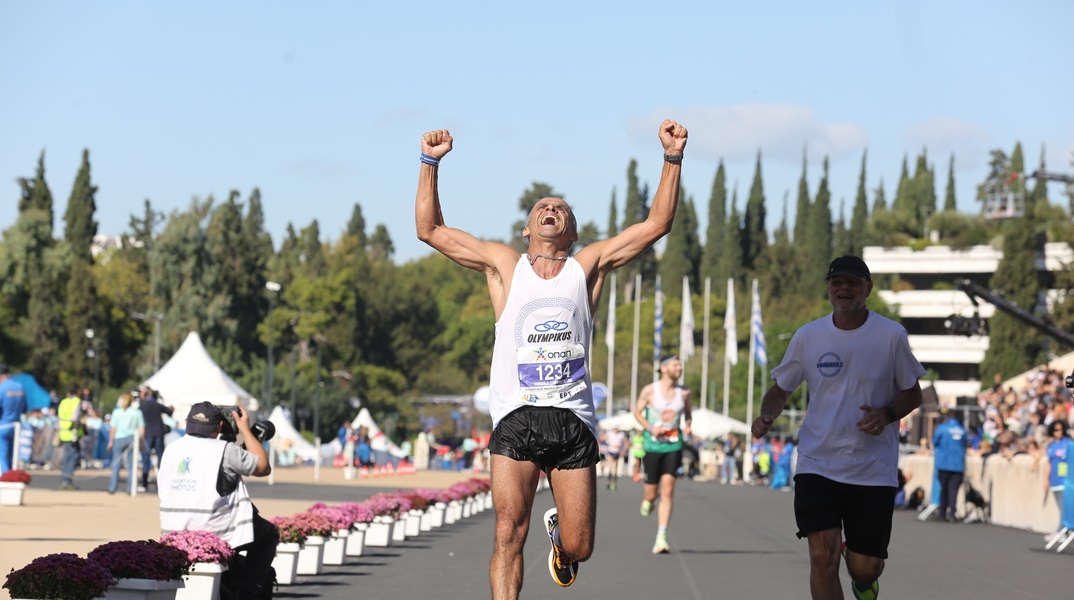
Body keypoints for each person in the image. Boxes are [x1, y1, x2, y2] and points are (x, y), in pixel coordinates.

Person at [415, 119, 688, 598]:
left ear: (573, 230)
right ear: (526, 229)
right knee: (506, 531)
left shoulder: (589, 265)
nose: (550, 210)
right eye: (542, 207)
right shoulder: (504, 265)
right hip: (516, 415)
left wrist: (672, 158)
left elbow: (656, 225)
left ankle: (561, 543)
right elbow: (430, 229)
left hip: (572, 419)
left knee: (581, 546)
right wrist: (429, 163)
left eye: (560, 209)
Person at [752, 255, 925, 600]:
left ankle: (864, 582)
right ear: (829, 288)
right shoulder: (808, 336)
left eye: (852, 282)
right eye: (837, 282)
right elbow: (780, 389)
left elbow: (914, 392)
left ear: (867, 288)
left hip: (872, 470)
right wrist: (767, 415)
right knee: (821, 557)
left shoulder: (891, 335)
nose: (844, 288)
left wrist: (887, 414)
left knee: (865, 567)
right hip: (818, 463)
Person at [158, 402, 277, 599]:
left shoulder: (171, 449)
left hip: (172, 532)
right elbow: (263, 467)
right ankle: (245, 593)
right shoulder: (225, 450)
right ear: (220, 426)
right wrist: (245, 429)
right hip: (215, 532)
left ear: (187, 423)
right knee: (269, 535)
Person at [633, 354, 692, 554]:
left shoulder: (684, 393)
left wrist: (689, 426)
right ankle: (648, 500)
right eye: (676, 364)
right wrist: (650, 427)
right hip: (652, 447)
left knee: (667, 491)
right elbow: (637, 413)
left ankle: (661, 536)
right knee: (652, 493)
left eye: (680, 364)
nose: (680, 367)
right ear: (664, 368)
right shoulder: (650, 390)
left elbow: (688, 415)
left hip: (673, 447)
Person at [932, 409, 968, 522]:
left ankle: (942, 512)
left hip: (944, 464)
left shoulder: (942, 429)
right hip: (958, 465)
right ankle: (952, 513)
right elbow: (965, 443)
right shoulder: (963, 430)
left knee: (944, 489)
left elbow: (934, 442)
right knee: (954, 490)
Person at [107, 392, 145, 494]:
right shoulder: (137, 413)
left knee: (116, 464)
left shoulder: (117, 412)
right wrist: (141, 442)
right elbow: (141, 429)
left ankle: (112, 488)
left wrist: (110, 441)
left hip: (119, 438)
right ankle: (130, 488)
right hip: (132, 439)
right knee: (131, 465)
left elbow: (113, 428)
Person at [138, 387, 173, 493]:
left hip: (147, 434)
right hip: (158, 433)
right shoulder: (158, 405)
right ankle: (161, 484)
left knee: (145, 459)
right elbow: (169, 412)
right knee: (160, 458)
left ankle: (144, 483)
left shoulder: (142, 406)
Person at [1043, 419, 1073, 542]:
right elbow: (1048, 463)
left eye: (1061, 430)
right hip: (1055, 480)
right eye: (1056, 430)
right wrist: (1045, 480)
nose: (1059, 432)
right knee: (1060, 507)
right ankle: (1062, 530)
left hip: (1066, 481)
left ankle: (1062, 531)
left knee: (1064, 507)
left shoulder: (1068, 443)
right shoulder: (1052, 445)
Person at [57, 385, 86, 490]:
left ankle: (64, 479)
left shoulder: (64, 401)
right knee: (74, 457)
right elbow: (75, 418)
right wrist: (81, 424)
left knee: (67, 457)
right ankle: (67, 480)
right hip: (72, 433)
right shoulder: (76, 401)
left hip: (63, 431)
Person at [0, 364, 27, 475]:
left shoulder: (2, 388)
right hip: (16, 426)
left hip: (3, 426)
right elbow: (25, 409)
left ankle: (6, 479)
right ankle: (11, 476)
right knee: (12, 455)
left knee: (3, 456)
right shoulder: (20, 387)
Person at [601, 424, 628, 491]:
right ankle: (610, 481)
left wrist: (624, 450)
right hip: (611, 451)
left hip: (618, 452)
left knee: (615, 467)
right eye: (614, 428)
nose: (616, 429)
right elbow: (602, 439)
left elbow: (627, 443)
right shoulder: (609, 433)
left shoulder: (621, 434)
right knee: (611, 466)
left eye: (617, 428)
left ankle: (614, 481)